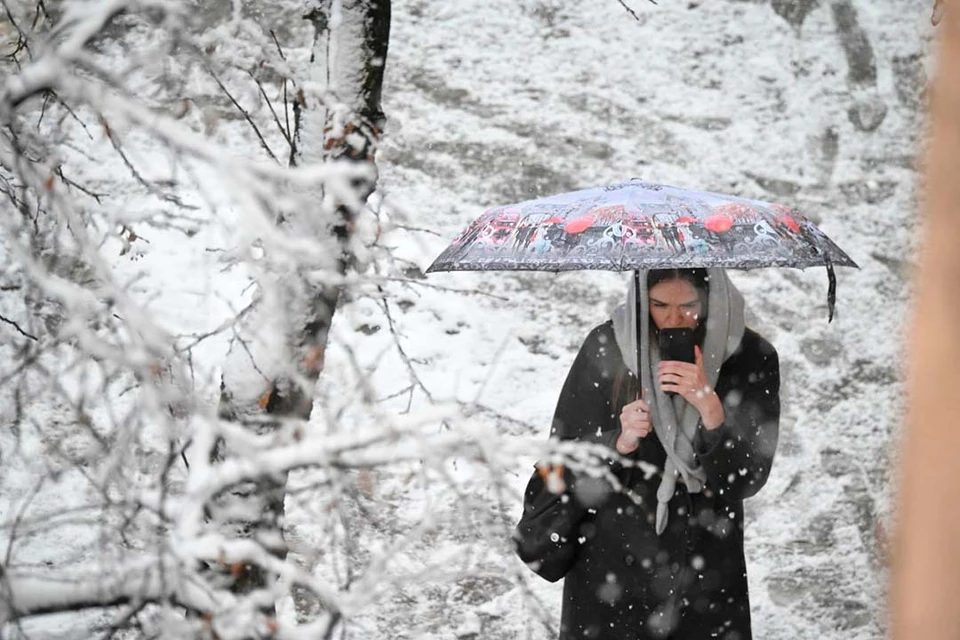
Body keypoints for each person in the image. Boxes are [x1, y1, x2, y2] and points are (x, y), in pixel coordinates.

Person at [515, 268, 780, 640]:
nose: (674, 319)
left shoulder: (749, 356)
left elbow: (747, 477)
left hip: (704, 558)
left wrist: (710, 409)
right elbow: (563, 457)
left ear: (711, 299)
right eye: (659, 305)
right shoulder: (608, 346)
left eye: (689, 305)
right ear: (641, 300)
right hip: (613, 555)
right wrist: (618, 441)